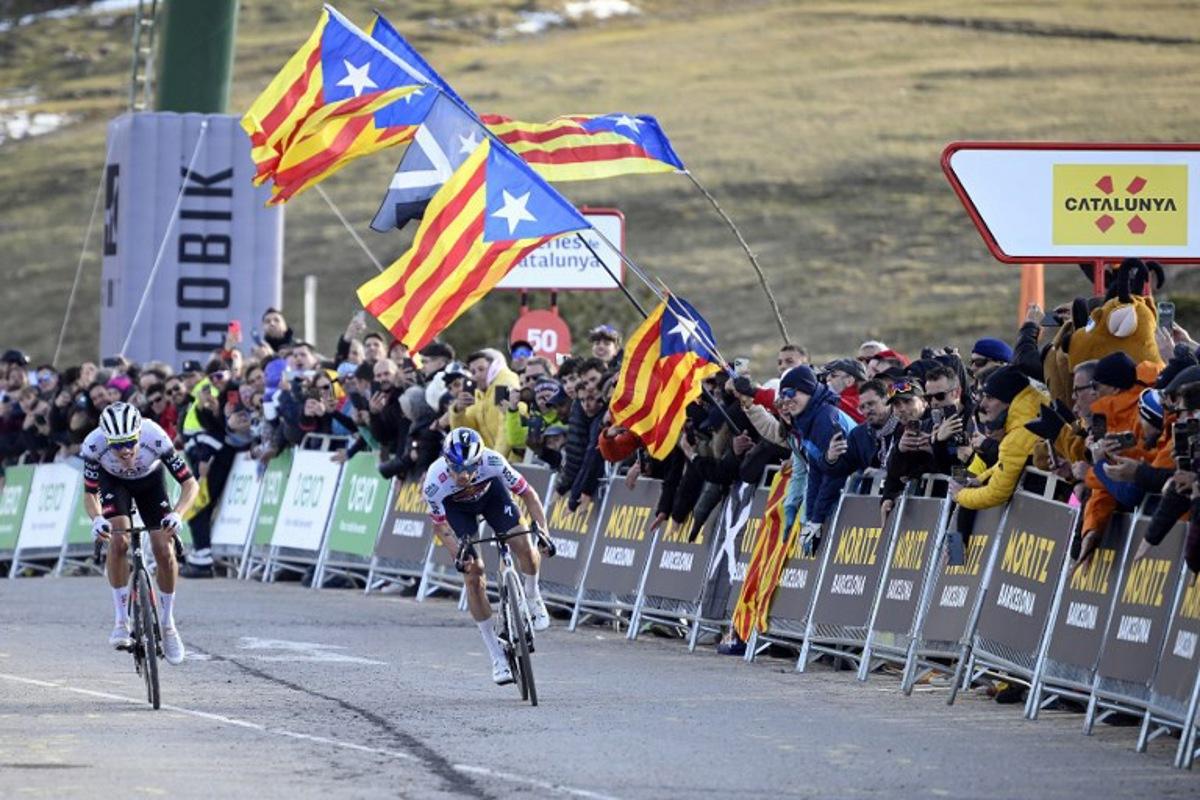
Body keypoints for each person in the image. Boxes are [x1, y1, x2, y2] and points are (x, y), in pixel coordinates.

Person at [422, 428, 552, 685]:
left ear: (479, 460)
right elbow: (440, 527)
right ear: (446, 462)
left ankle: (532, 595)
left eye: (470, 467)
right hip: (458, 511)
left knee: (525, 544)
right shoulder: (434, 482)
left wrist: (544, 532)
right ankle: (496, 656)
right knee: (473, 574)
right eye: (456, 468)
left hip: (492, 498)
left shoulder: (493, 461)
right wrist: (459, 555)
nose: (463, 475)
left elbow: (528, 494)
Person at [83, 402, 199, 666]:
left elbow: (189, 483)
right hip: (114, 484)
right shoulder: (93, 445)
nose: (125, 451)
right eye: (116, 446)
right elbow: (89, 493)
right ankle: (121, 621)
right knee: (118, 541)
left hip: (150, 483)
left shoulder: (155, 435)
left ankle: (168, 624)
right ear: (106, 440)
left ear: (138, 434)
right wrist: (97, 518)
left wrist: (177, 514)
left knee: (163, 548)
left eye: (130, 443)